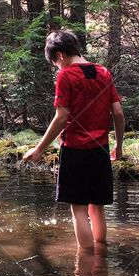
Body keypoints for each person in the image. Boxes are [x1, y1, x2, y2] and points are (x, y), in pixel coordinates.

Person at [22, 29, 125, 248]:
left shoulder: (66, 75)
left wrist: (39, 149)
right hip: (101, 150)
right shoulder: (103, 72)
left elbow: (61, 117)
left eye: (54, 63)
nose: (56, 67)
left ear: (59, 55)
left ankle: (86, 266)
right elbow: (118, 113)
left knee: (79, 209)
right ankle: (101, 260)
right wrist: (119, 145)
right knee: (97, 206)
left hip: (75, 150)